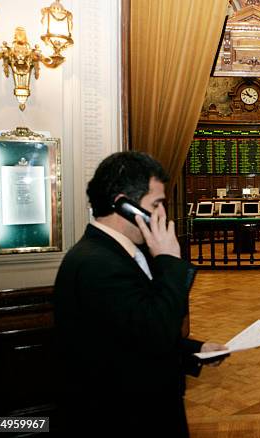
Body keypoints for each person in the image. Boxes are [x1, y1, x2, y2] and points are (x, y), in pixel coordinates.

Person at [54, 151, 225, 436]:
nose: (163, 215)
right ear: (124, 206)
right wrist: (170, 263)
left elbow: (130, 332)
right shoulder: (97, 264)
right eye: (156, 204)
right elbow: (153, 332)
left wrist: (195, 350)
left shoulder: (121, 253)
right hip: (126, 419)